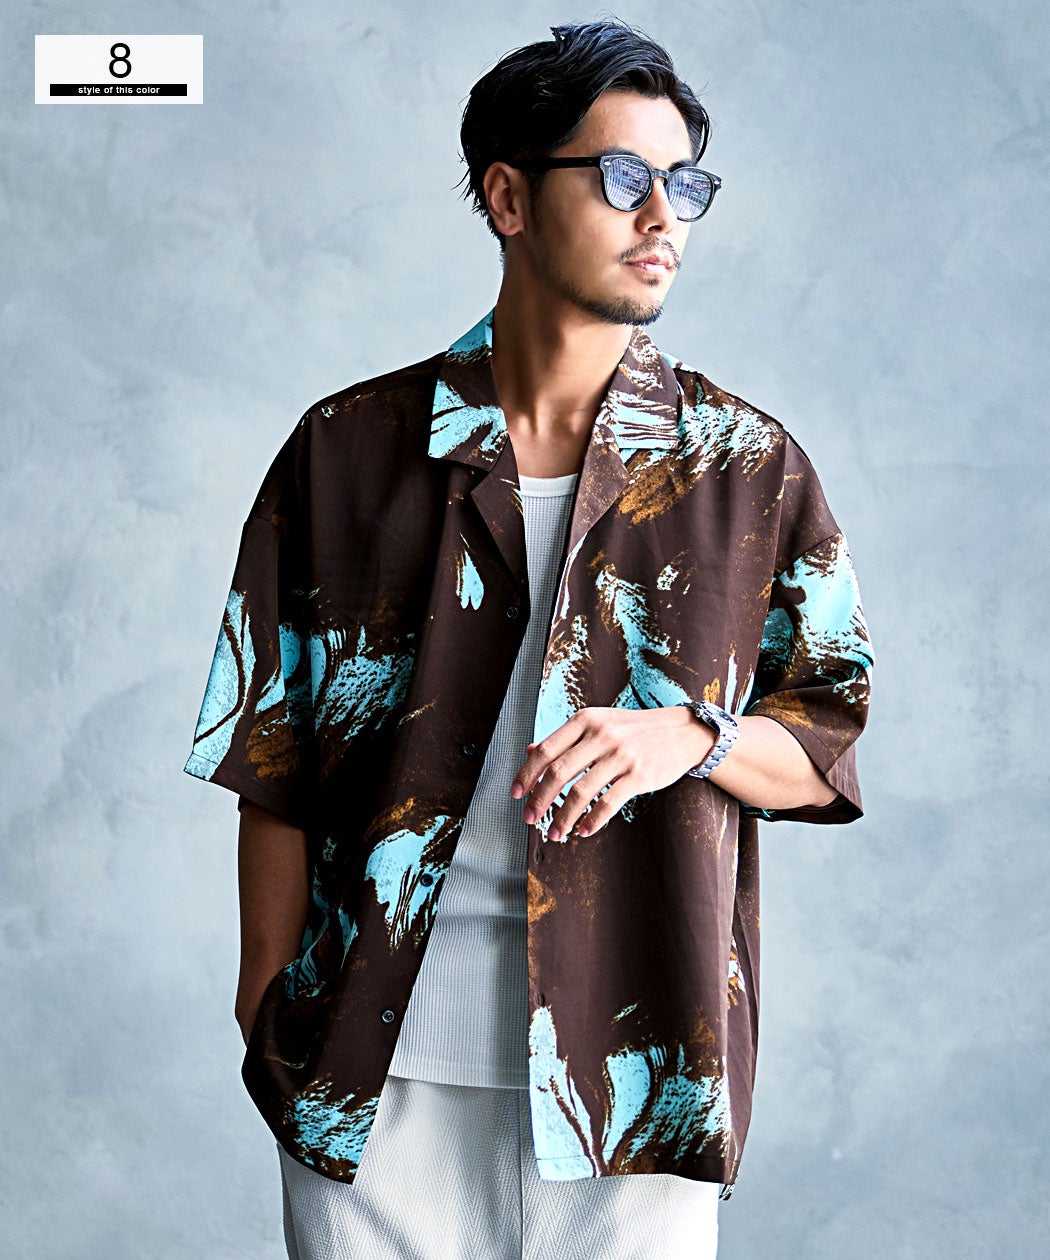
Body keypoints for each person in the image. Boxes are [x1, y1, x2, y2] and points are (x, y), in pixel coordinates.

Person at [183, 18, 874, 1260]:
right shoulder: (346, 452)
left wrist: (691, 738)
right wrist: (268, 1004)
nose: (660, 216)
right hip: (370, 1080)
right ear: (508, 197)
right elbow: (271, 755)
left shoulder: (746, 467)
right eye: (622, 177)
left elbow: (824, 740)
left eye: (685, 185)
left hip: (635, 1081)